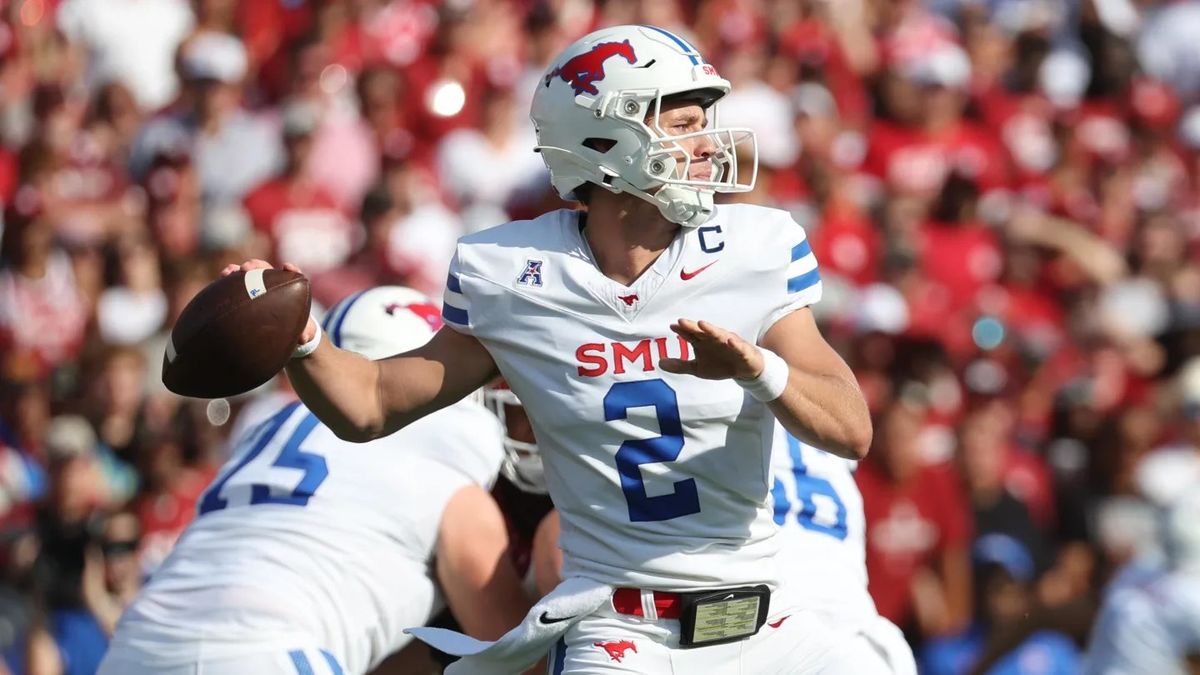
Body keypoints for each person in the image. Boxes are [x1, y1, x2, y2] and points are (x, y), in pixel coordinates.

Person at [230, 25, 872, 673]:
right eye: (683, 123)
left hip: (766, 623)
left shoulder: (755, 248)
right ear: (606, 142)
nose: (707, 144)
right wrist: (301, 338)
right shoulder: (509, 272)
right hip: (624, 634)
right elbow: (369, 403)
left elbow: (852, 427)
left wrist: (758, 370)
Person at [97, 286, 531, 675]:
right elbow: (512, 658)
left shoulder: (265, 422)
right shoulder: (450, 444)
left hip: (135, 644)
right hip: (270, 649)